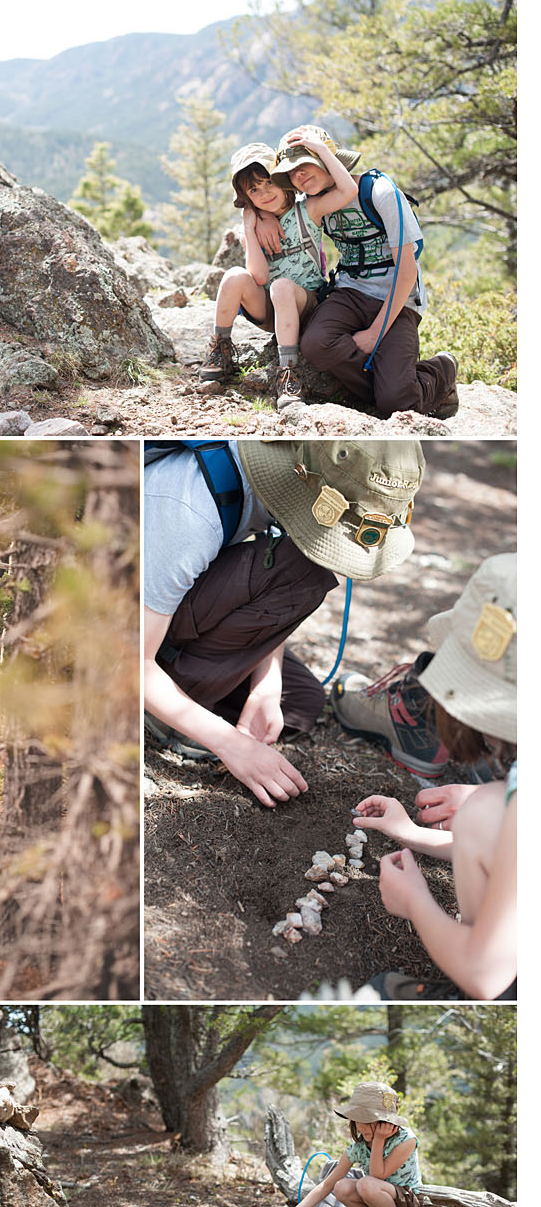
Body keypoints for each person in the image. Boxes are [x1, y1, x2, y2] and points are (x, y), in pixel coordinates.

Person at [144, 439, 424, 809]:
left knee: (301, 705)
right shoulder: (188, 513)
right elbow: (131, 662)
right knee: (302, 569)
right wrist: (231, 745)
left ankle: (195, 703)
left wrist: (266, 687)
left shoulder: (299, 476)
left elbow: (269, 560)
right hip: (130, 636)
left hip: (183, 614)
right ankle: (168, 709)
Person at [354, 552, 517, 1000]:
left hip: (500, 976)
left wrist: (417, 904)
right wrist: (412, 834)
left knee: (483, 814)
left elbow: (486, 975)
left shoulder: (502, 809)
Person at [274, 124, 458, 422]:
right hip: (350, 293)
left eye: (305, 163)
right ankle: (391, 384)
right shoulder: (315, 204)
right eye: (291, 172)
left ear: (327, 158)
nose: (299, 175)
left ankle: (439, 370)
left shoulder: (381, 192)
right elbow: (270, 208)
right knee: (315, 344)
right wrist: (252, 217)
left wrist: (375, 334)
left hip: (397, 301)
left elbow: (407, 271)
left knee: (398, 406)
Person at [198, 140, 326, 399]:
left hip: (306, 304)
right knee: (234, 276)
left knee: (281, 287)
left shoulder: (306, 208)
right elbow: (258, 277)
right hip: (271, 310)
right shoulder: (254, 223)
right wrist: (249, 225)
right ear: (247, 199)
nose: (265, 192)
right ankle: (220, 349)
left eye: (269, 182)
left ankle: (288, 370)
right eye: (254, 190)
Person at [276, 1084, 423, 1207]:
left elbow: (378, 1175)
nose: (361, 1127)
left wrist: (379, 1139)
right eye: (357, 1120)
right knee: (341, 1186)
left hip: (408, 1202)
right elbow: (327, 1184)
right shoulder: (358, 1147)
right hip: (375, 1200)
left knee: (366, 1183)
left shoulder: (406, 1140)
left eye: (367, 1121)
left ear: (386, 1122)